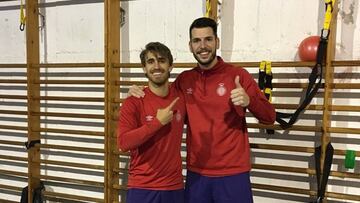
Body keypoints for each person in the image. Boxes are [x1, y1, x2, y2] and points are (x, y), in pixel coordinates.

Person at [129, 17, 276, 203]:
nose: (203, 46)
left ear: (217, 42)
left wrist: (249, 101)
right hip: (197, 175)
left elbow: (269, 117)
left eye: (208, 39)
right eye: (197, 41)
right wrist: (137, 91)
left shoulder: (238, 75)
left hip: (233, 174)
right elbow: (160, 97)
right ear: (190, 46)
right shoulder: (185, 80)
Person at [117, 42, 186, 203]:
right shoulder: (134, 101)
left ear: (170, 66)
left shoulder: (181, 98)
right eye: (150, 62)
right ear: (144, 68)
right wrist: (157, 123)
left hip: (173, 186)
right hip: (142, 187)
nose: (156, 66)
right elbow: (123, 143)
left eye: (161, 60)